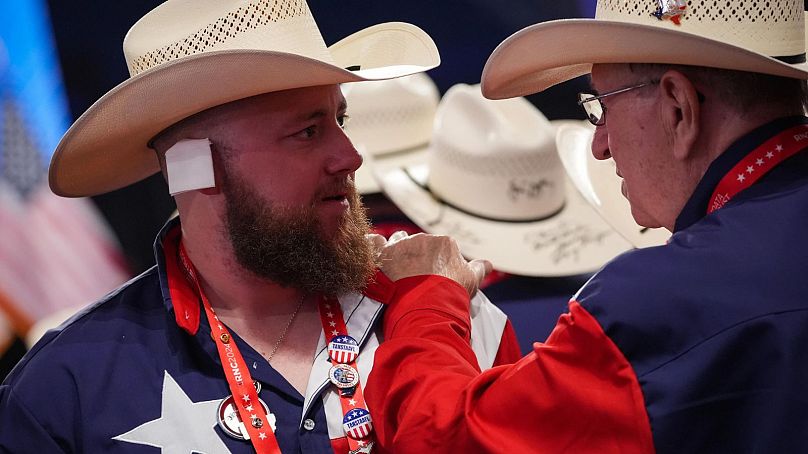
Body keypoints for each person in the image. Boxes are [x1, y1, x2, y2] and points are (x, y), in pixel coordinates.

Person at [0, 1, 521, 452]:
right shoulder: (67, 389)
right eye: (308, 131)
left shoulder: (461, 318)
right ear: (193, 167)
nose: (351, 156)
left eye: (341, 121)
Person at [363, 0, 808, 452]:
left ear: (679, 107)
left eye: (600, 108)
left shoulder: (659, 302)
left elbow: (443, 440)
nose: (599, 146)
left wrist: (425, 299)